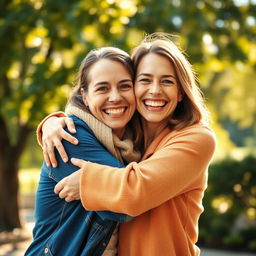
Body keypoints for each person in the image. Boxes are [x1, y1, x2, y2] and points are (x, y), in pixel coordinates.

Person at [38, 32, 217, 255]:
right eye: (144, 80)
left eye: (167, 81)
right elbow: (91, 120)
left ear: (181, 91)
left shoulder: (197, 138)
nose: (154, 90)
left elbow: (135, 191)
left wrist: (86, 181)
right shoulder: (128, 140)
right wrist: (52, 122)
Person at [25, 47, 142, 256]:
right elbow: (128, 203)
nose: (115, 97)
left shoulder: (132, 144)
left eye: (125, 86)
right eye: (102, 89)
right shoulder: (69, 137)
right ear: (85, 97)